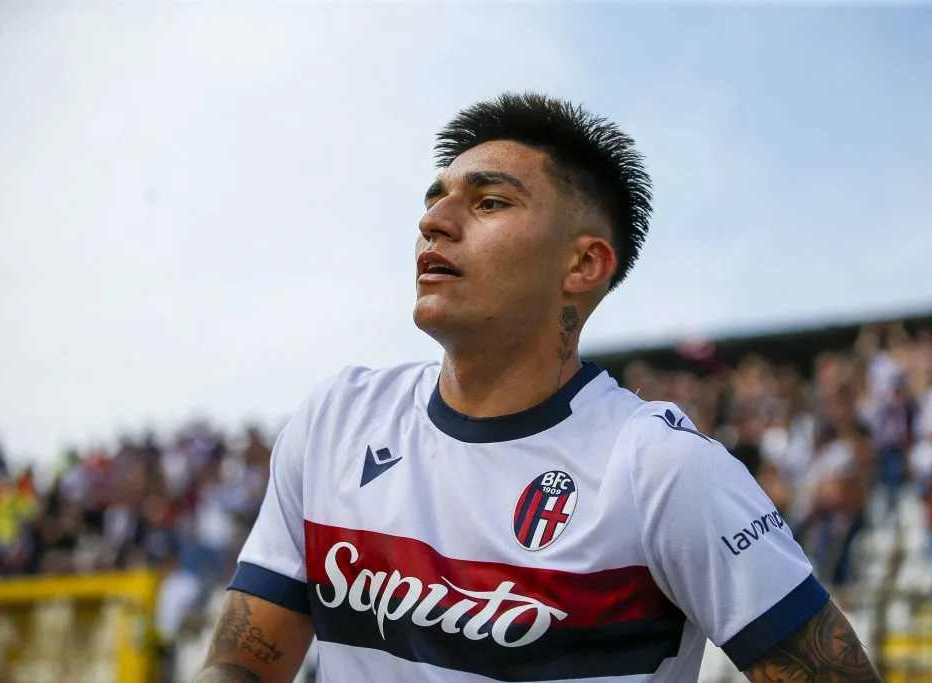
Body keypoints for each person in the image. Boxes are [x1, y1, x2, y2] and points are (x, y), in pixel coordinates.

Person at [195, 93, 881, 683]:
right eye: (434, 202)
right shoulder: (334, 424)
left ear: (583, 263)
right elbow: (244, 664)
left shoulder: (662, 471)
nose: (433, 222)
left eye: (489, 201)